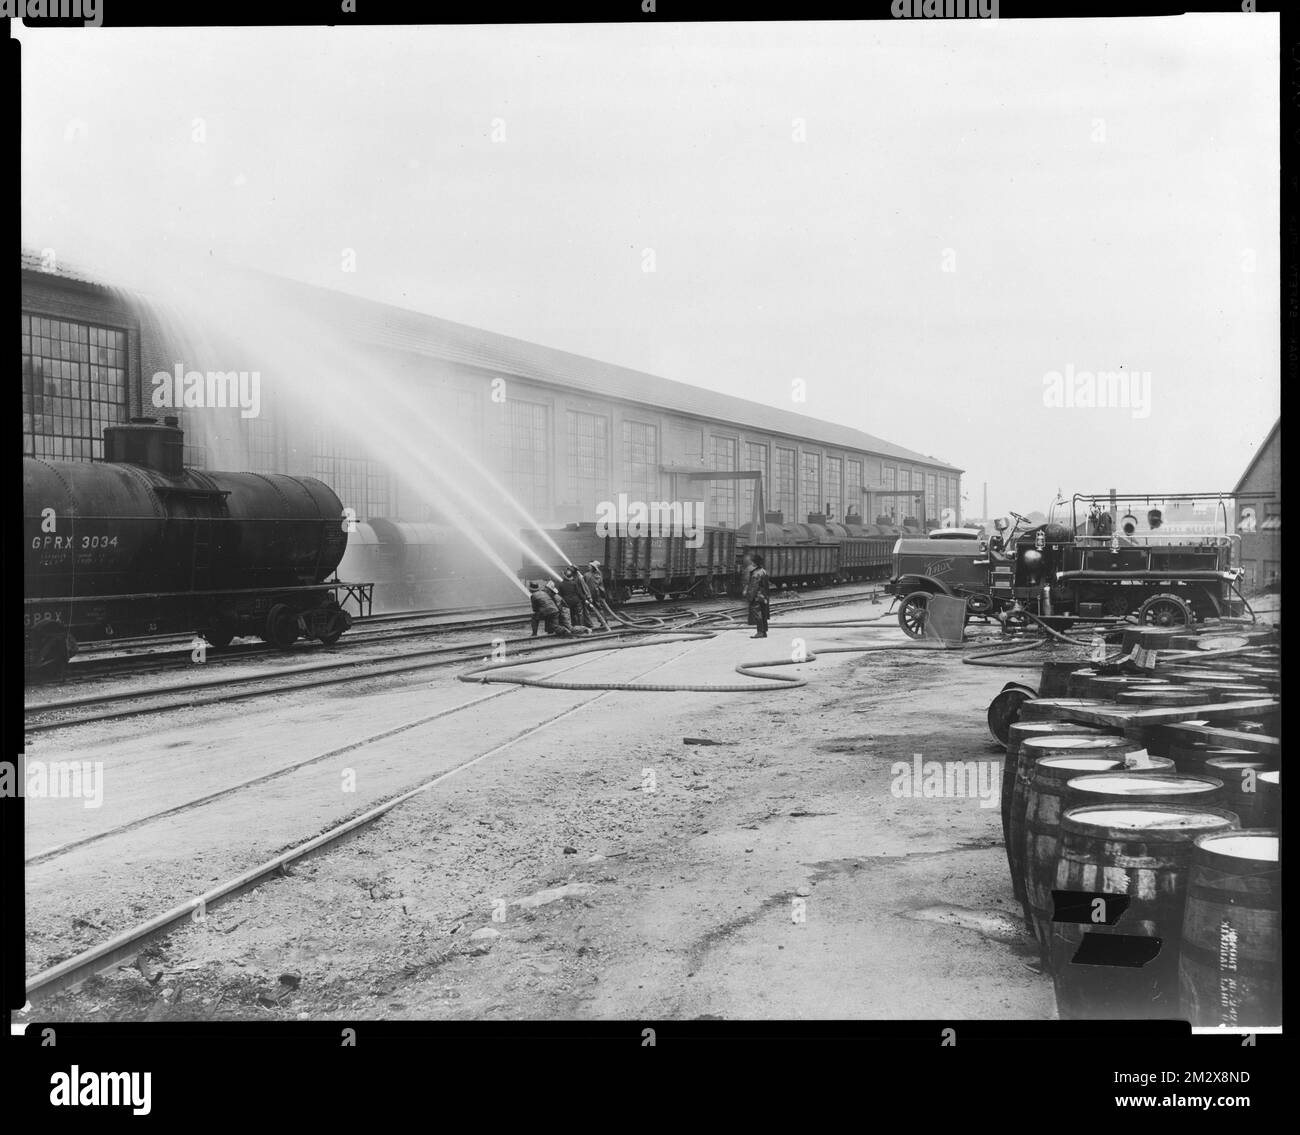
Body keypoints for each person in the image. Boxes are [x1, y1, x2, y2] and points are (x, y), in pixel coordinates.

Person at [745, 552, 770, 639]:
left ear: (755, 563)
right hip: (763, 596)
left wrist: (749, 597)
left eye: (752, 562)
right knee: (763, 614)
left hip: (757, 597)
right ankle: (764, 632)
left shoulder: (756, 574)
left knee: (758, 614)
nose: (751, 563)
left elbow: (753, 587)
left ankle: (759, 632)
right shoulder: (763, 571)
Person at [581, 560, 611, 631]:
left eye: (589, 566)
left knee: (586, 609)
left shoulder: (587, 574)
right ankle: (603, 622)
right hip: (596, 595)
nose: (588, 566)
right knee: (598, 608)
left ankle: (589, 624)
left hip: (591, 595)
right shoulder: (598, 574)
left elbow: (584, 584)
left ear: (593, 567)